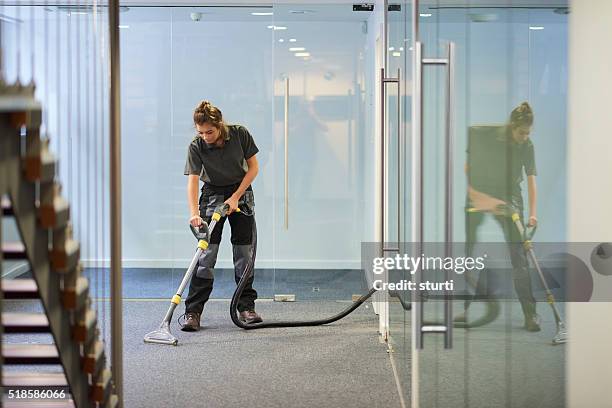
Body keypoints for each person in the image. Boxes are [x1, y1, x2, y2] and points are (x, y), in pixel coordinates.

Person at [181, 100, 262, 331]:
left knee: (244, 253)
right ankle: (192, 312)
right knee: (206, 256)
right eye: (201, 132)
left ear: (219, 125)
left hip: (241, 192)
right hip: (212, 194)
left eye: (209, 131)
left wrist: (236, 196)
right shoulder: (196, 146)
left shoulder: (239, 134)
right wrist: (194, 214)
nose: (205, 136)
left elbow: (253, 168)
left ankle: (246, 308)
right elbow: (193, 181)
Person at [461, 101, 541, 332]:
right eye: (521, 132)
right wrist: (479, 198)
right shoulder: (484, 135)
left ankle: (531, 314)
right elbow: (468, 168)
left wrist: (533, 215)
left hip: (510, 198)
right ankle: (464, 309)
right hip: (481, 190)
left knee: (519, 258)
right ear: (511, 127)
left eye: (528, 133)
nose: (524, 137)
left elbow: (532, 182)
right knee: (469, 249)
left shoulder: (527, 145)